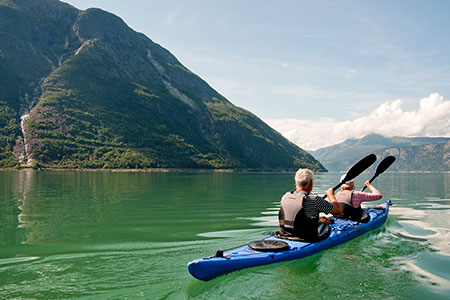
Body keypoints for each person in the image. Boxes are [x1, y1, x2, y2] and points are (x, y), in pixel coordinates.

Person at [278, 169, 342, 242]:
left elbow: (295, 218)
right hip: (305, 237)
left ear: (296, 182)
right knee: (326, 225)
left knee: (320, 221)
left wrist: (318, 219)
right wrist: (331, 195)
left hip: (284, 234)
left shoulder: (285, 197)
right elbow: (338, 211)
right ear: (311, 183)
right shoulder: (314, 199)